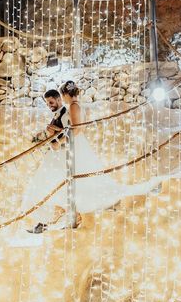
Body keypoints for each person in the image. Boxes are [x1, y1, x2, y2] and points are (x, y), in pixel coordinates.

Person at [22, 81, 164, 234]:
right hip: (71, 146)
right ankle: (59, 220)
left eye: (62, 96)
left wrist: (60, 142)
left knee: (68, 181)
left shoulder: (74, 106)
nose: (62, 99)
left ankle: (61, 220)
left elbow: (77, 129)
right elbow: (71, 128)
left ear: (65, 94)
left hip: (73, 146)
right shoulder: (72, 106)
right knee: (64, 182)